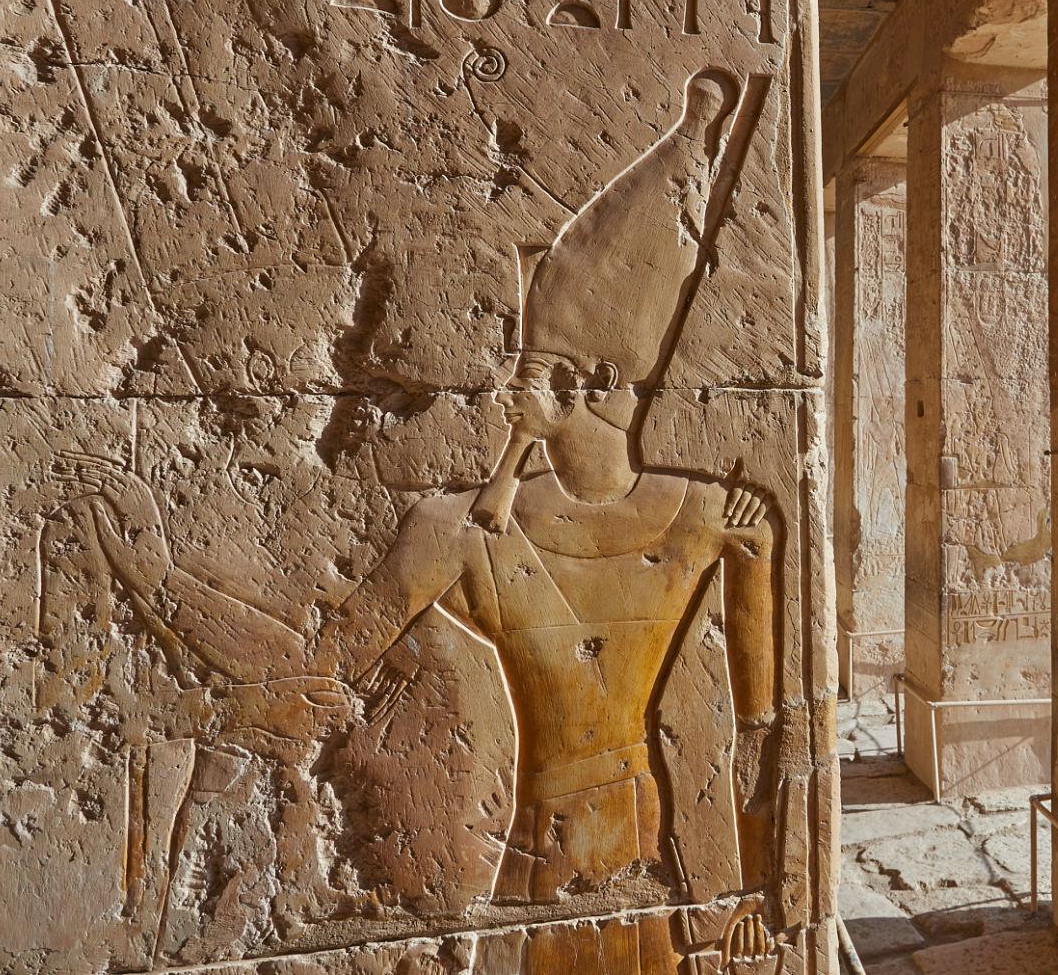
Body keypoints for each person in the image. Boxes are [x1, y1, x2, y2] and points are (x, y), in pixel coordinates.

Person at [66, 70, 781, 972]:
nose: (510, 390)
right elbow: (314, 667)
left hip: (648, 865)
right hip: (539, 860)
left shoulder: (712, 517)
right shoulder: (462, 530)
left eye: (535, 369)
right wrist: (162, 583)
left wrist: (749, 892)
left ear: (589, 387)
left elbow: (762, 734)